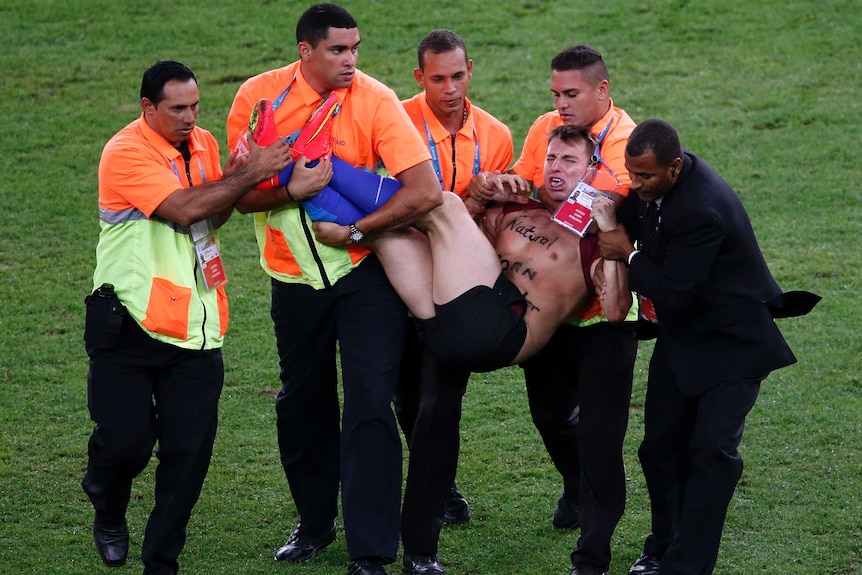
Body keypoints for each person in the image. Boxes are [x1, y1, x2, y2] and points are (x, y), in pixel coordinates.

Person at [309, 124, 632, 575]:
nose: (557, 169)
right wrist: (482, 197)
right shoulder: (519, 210)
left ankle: (324, 170)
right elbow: (456, 240)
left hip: (500, 334)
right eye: (552, 159)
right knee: (392, 238)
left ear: (591, 171)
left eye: (570, 161)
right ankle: (308, 181)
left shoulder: (597, 239)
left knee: (445, 203)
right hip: (451, 323)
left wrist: (611, 230)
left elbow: (616, 308)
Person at [225, 4, 441, 575]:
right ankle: (315, 524)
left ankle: (371, 551)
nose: (350, 61)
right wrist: (290, 191)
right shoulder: (259, 99)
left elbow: (424, 192)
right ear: (305, 50)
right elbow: (237, 193)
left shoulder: (375, 99)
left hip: (365, 275)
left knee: (370, 406)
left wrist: (355, 230)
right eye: (337, 50)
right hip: (292, 280)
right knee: (302, 406)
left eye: (355, 49)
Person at [81, 60, 291, 575]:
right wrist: (251, 174)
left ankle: (161, 561)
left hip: (197, 327)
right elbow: (182, 209)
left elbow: (214, 213)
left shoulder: (202, 143)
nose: (189, 118)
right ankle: (107, 504)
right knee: (125, 444)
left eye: (195, 106)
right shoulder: (125, 152)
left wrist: (237, 174)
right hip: (129, 322)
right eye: (177, 108)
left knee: (188, 455)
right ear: (147, 107)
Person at [597, 119, 819, 575]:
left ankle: (686, 566)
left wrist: (628, 254)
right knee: (657, 449)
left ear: (674, 168)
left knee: (711, 454)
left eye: (645, 177)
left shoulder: (701, 210)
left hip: (734, 347)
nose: (634, 184)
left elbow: (673, 291)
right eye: (630, 173)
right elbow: (630, 214)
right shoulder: (654, 187)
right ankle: (662, 545)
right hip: (685, 340)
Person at [472, 44, 640, 575]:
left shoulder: (627, 144)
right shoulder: (547, 125)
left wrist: (546, 192)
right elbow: (527, 187)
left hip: (607, 313)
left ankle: (592, 554)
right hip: (551, 308)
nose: (560, 105)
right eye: (556, 94)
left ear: (602, 91)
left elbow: (587, 212)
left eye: (571, 94)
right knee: (547, 414)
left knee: (601, 435)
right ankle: (575, 486)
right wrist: (503, 187)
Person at [396, 28, 526, 527]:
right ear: (419, 77)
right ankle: (436, 485)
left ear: (471, 69)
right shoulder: (397, 121)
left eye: (457, 76)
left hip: (460, 283)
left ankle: (439, 490)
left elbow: (493, 219)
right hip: (403, 274)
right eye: (437, 79)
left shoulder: (495, 134)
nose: (449, 89)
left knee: (441, 395)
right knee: (405, 394)